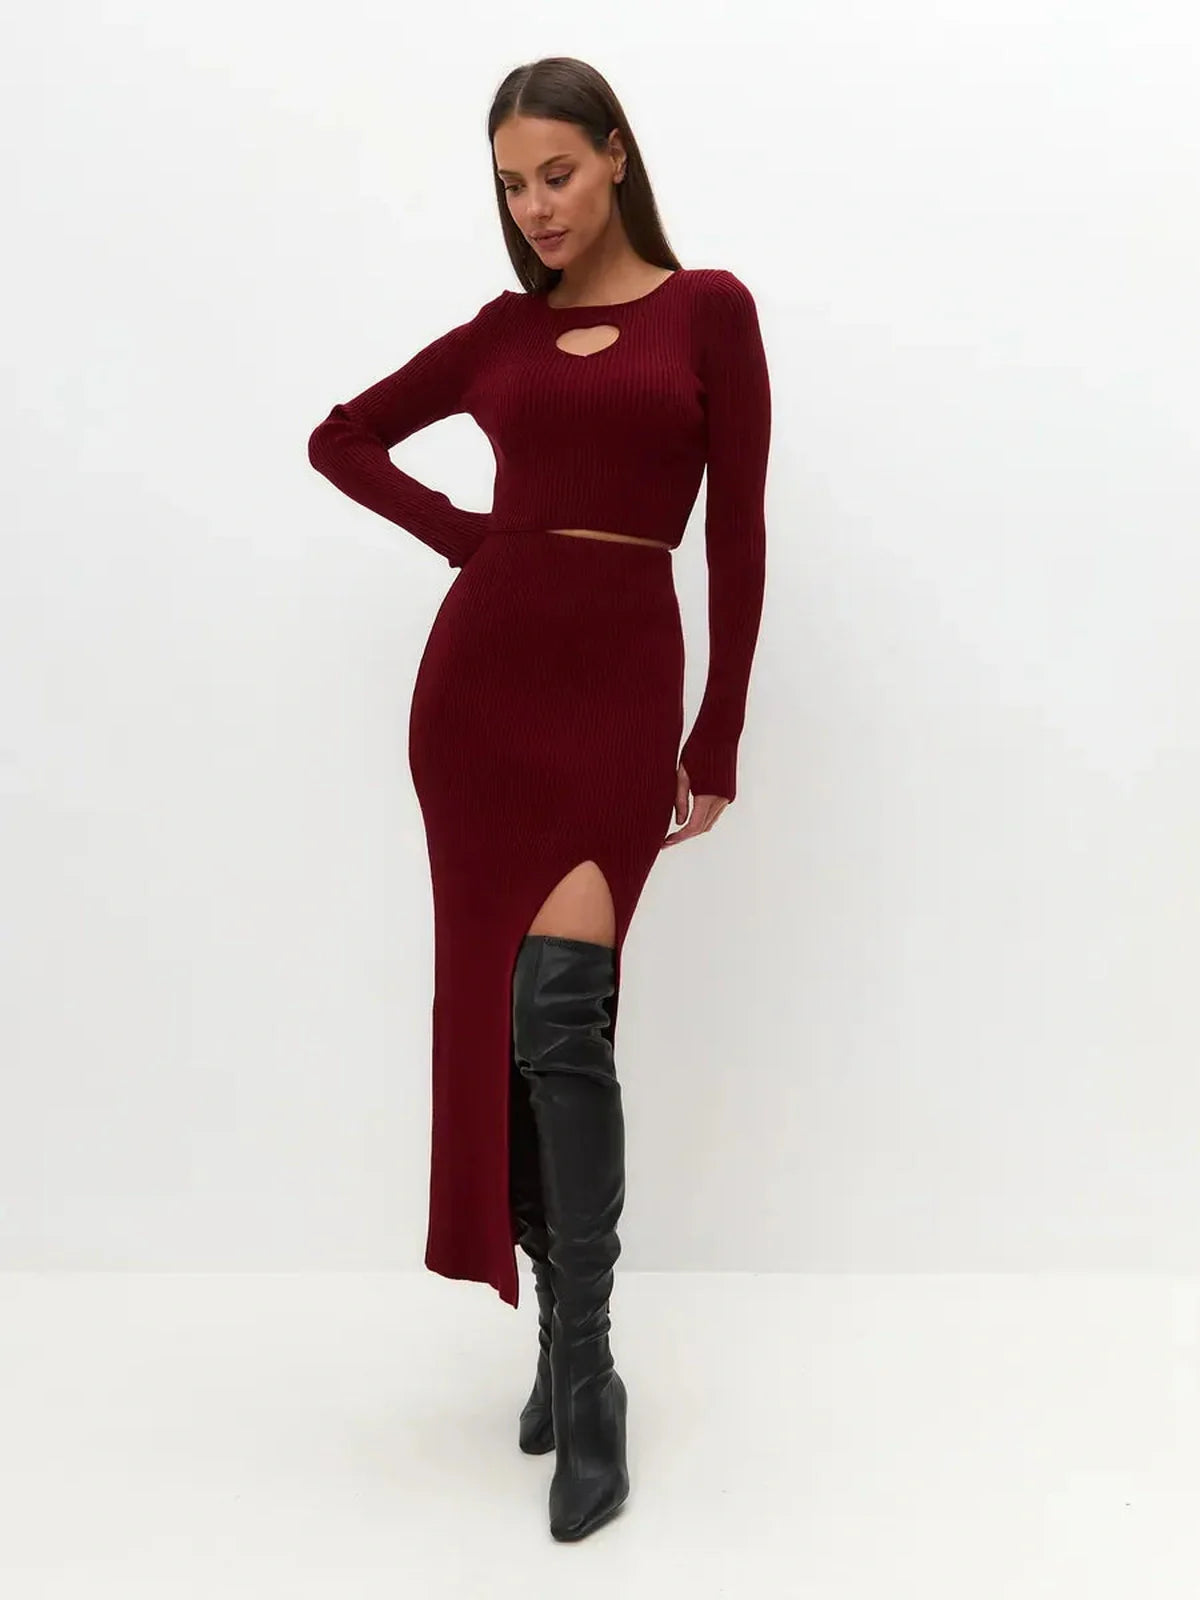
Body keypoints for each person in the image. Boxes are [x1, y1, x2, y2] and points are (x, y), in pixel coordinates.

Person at [307, 55, 771, 1543]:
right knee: (515, 1030)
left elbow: (740, 535)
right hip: (481, 697)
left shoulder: (710, 313)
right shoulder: (502, 332)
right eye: (512, 184)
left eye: (557, 174)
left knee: (564, 1014)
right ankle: (559, 1352)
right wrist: (473, 538)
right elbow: (341, 437)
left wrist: (718, 734)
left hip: (620, 689)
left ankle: (591, 1372)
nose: (535, 207)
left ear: (618, 156)